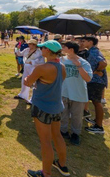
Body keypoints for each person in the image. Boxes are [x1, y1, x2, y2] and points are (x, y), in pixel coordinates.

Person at [25, 40, 69, 177]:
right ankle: (62, 164)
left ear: (48, 51)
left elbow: (28, 82)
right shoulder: (61, 66)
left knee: (45, 141)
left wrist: (27, 77)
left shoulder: (42, 68)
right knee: (57, 136)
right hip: (56, 106)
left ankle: (46, 173)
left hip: (42, 106)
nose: (40, 50)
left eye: (42, 48)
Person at [60, 41, 92, 146]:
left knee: (77, 116)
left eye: (64, 47)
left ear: (71, 49)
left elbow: (87, 79)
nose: (62, 48)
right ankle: (63, 131)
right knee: (63, 113)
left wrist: (79, 66)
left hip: (78, 94)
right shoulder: (62, 60)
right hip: (64, 92)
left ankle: (75, 134)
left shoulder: (83, 63)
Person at [81, 36, 108, 134]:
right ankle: (97, 121)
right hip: (93, 80)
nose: (82, 43)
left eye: (84, 41)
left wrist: (98, 71)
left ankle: (99, 126)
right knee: (95, 101)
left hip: (96, 81)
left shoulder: (94, 52)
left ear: (90, 42)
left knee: (97, 102)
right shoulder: (91, 51)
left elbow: (103, 63)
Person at [14, 39, 44, 104]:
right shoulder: (27, 50)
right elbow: (19, 54)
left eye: (30, 44)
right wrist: (17, 49)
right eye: (29, 43)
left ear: (34, 45)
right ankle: (23, 95)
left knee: (34, 83)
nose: (29, 45)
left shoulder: (39, 52)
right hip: (26, 66)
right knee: (24, 80)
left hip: (34, 68)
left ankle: (33, 99)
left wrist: (32, 62)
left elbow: (42, 61)